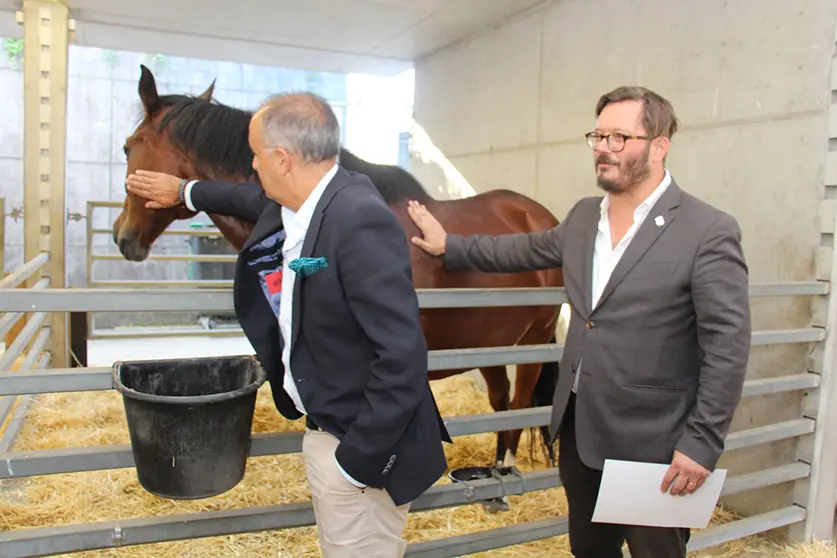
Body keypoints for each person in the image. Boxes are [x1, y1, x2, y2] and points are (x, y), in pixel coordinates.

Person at [406, 86, 751, 558]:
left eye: (619, 138)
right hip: (581, 433)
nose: (603, 149)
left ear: (659, 146)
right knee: (589, 552)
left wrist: (701, 443)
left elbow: (727, 348)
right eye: (598, 136)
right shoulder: (586, 217)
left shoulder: (707, 230)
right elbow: (520, 250)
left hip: (656, 446)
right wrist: (451, 245)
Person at [125, 92, 451, 557]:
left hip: (357, 452)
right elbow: (245, 196)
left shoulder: (358, 219)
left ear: (282, 160)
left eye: (256, 155)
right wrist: (185, 192)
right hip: (329, 431)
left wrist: (355, 464)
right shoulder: (309, 201)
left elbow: (402, 356)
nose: (251, 166)